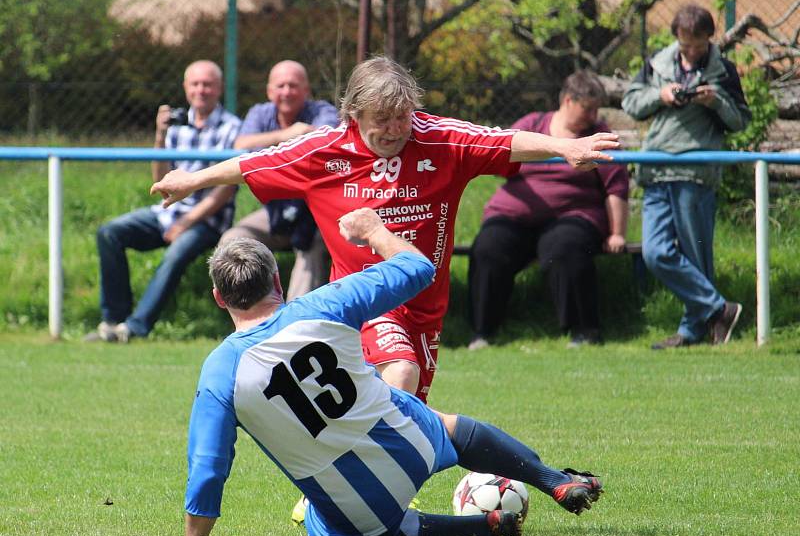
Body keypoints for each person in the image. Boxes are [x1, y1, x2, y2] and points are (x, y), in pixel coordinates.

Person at [152, 56, 620, 401]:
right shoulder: (325, 149)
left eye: (403, 116)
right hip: (364, 299)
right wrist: (193, 178)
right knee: (401, 369)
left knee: (409, 407)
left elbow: (505, 140)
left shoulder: (438, 138)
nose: (396, 129)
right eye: (383, 119)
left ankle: (346, 492)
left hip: (426, 304)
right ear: (354, 112)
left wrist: (564, 146)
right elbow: (254, 161)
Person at [181, 208, 604, 536]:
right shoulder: (324, 303)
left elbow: (209, 467)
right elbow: (418, 269)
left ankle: (473, 526)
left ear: (220, 298)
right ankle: (552, 479)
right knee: (447, 426)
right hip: (412, 444)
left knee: (321, 523)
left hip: (357, 504)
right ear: (276, 279)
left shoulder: (220, 371)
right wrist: (375, 230)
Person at [467, 71, 629, 349]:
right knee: (488, 247)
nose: (593, 115)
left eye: (596, 109)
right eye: (587, 108)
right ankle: (482, 332)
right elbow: (500, 153)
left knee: (564, 247)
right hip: (515, 215)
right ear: (568, 100)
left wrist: (617, 233)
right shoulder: (533, 124)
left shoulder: (597, 135)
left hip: (573, 216)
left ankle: (584, 332)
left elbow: (616, 187)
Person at [622, 5, 751, 350]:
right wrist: (659, 95)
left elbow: (741, 120)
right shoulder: (658, 63)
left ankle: (692, 331)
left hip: (696, 172)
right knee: (655, 252)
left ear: (709, 38)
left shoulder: (723, 70)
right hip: (656, 167)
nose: (691, 52)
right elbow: (631, 103)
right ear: (676, 40)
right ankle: (719, 309)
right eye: (685, 46)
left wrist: (716, 102)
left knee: (696, 257)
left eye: (697, 45)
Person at [86, 60, 241, 343]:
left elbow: (226, 191)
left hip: (207, 219)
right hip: (168, 211)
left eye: (207, 84)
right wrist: (159, 135)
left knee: (176, 254)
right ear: (185, 87)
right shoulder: (176, 126)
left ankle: (135, 328)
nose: (201, 90)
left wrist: (186, 222)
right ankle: (112, 320)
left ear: (219, 88)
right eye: (195, 84)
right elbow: (160, 180)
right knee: (109, 233)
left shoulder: (234, 128)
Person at [223, 60, 339, 301]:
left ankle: (295, 325)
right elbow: (241, 145)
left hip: (314, 211)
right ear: (269, 91)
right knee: (233, 239)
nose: (286, 91)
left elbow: (326, 139)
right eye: (281, 85)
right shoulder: (260, 113)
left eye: (293, 85)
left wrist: (271, 144)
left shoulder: (322, 111)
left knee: (310, 249)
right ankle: (256, 313)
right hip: (275, 210)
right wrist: (288, 135)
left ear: (306, 91)